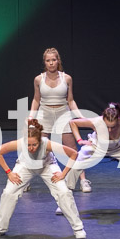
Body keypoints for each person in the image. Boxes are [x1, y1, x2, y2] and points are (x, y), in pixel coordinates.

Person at [0, 119, 86, 239]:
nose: (31, 148)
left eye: (34, 144)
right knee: (8, 193)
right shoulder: (20, 143)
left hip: (47, 166)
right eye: (28, 145)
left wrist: (63, 174)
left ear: (39, 141)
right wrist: (9, 172)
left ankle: (78, 228)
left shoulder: (47, 143)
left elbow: (73, 154)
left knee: (64, 192)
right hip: (25, 166)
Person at [28, 48, 89, 192]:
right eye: (48, 60)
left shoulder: (66, 78)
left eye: (53, 60)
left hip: (63, 113)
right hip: (44, 113)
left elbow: (71, 100)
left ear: (58, 61)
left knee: (72, 149)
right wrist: (31, 116)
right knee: (36, 147)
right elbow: (36, 99)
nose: (51, 63)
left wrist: (80, 116)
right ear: (45, 62)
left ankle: (83, 180)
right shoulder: (38, 79)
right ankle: (26, 179)